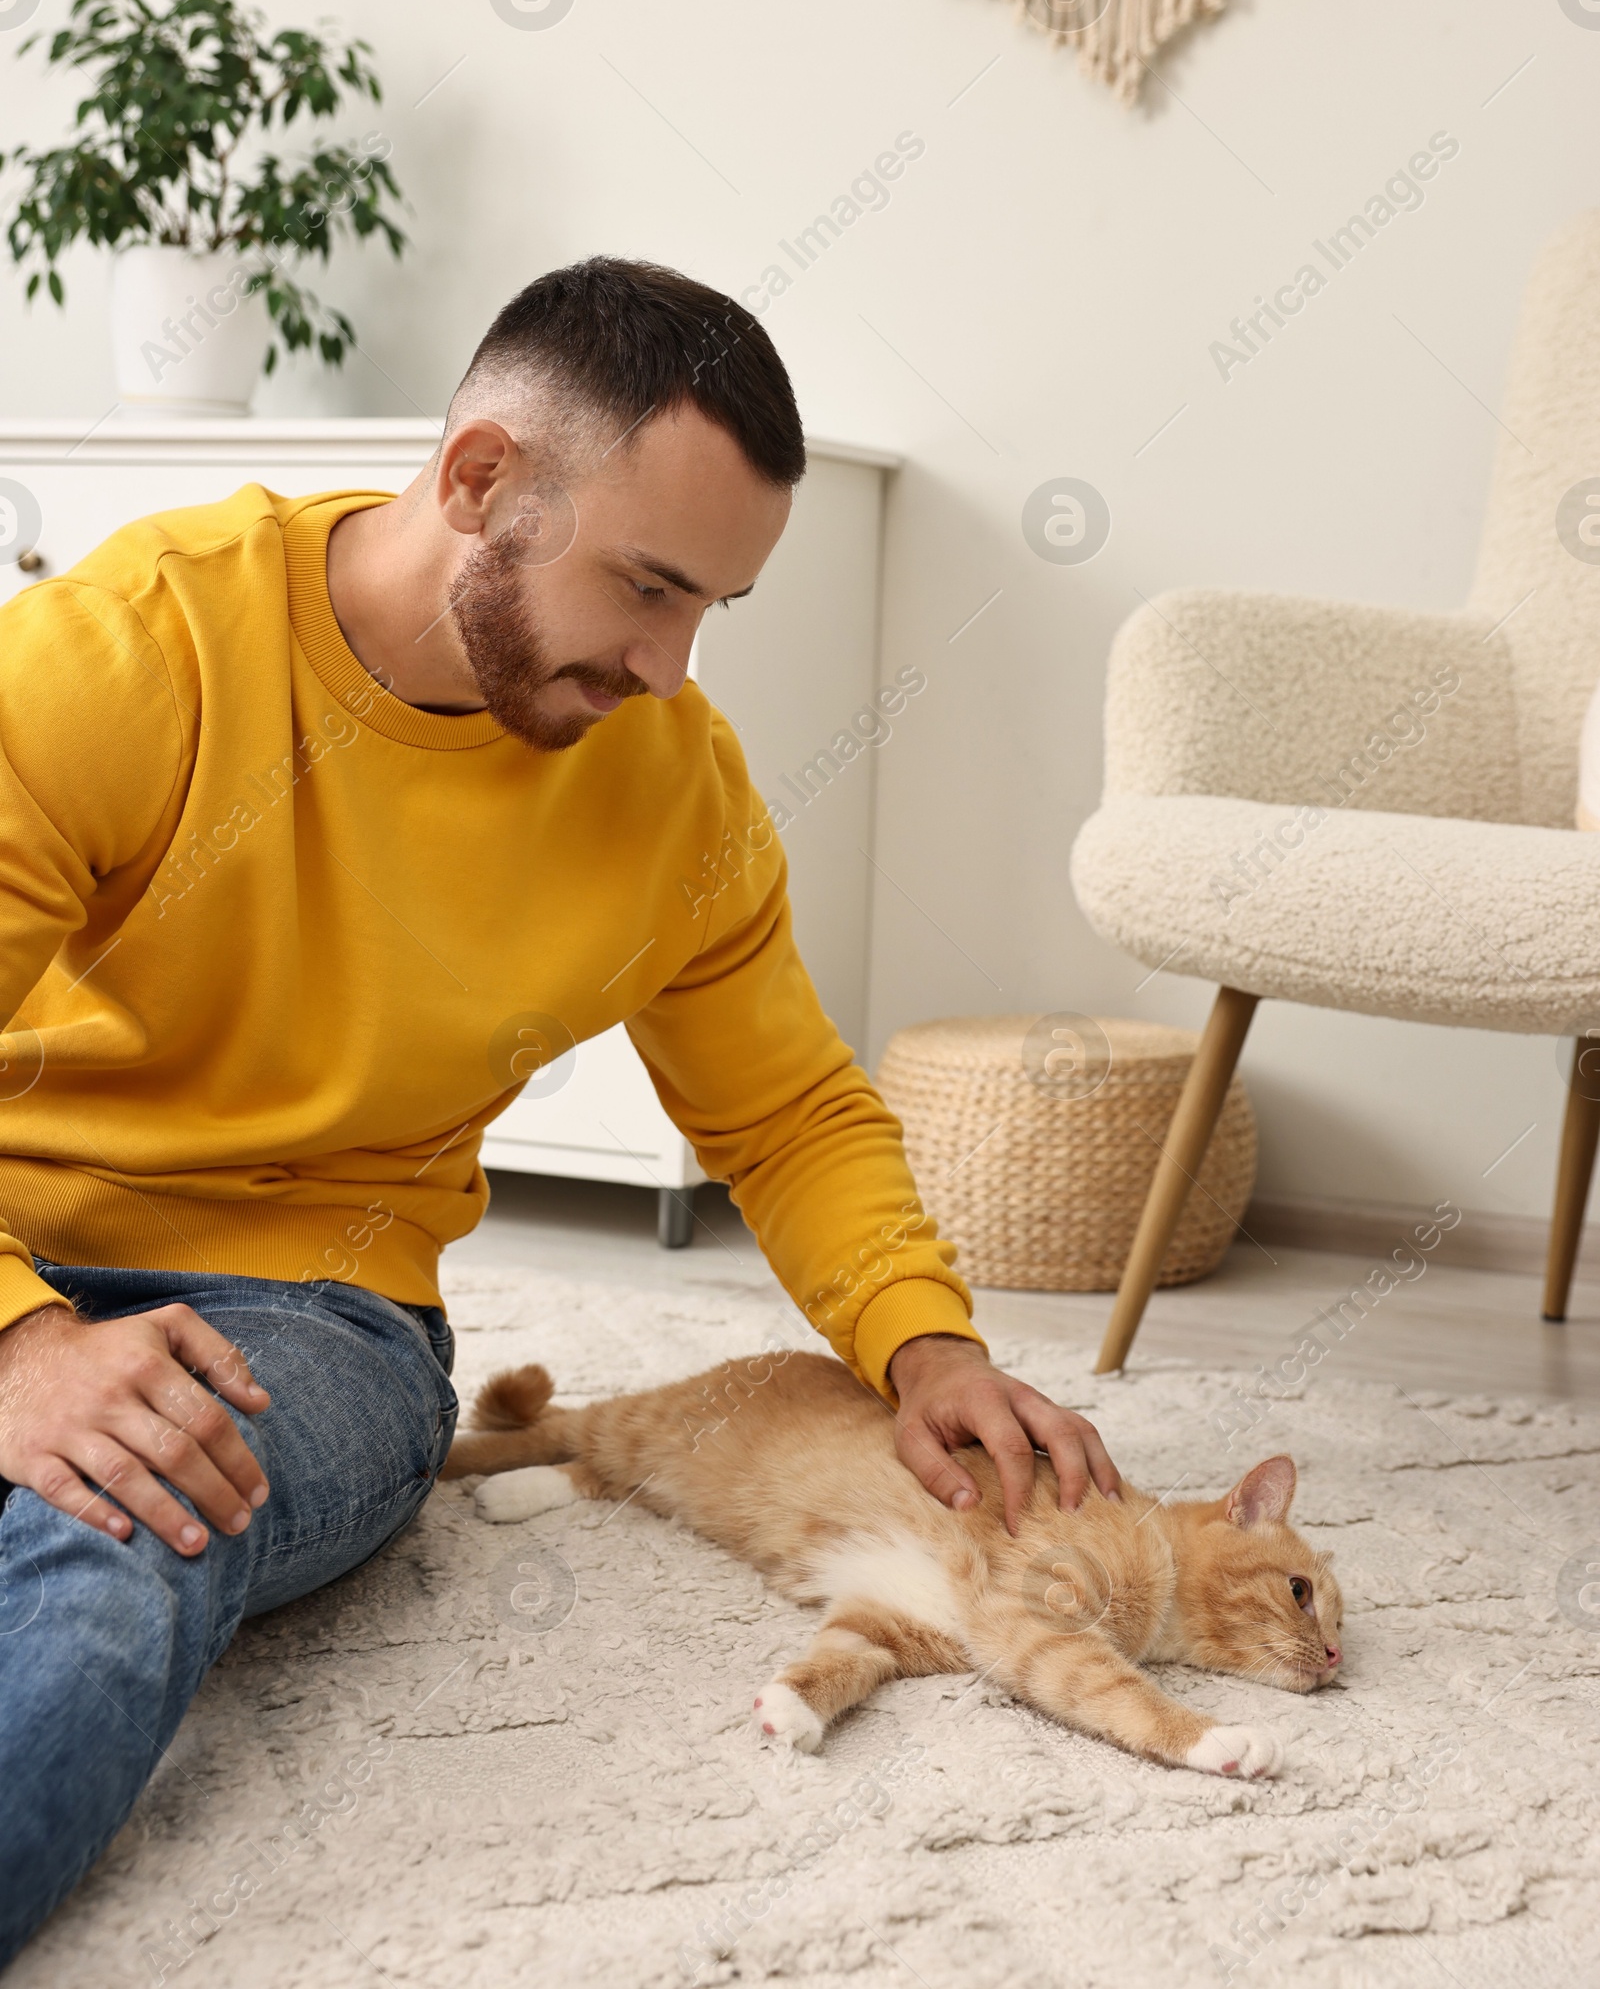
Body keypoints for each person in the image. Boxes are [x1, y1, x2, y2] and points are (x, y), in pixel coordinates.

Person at [0, 257, 1118, 1960]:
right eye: (647, 587)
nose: (668, 667)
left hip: (315, 1305)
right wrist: (19, 1343)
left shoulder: (675, 786)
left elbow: (789, 1114)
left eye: (709, 613)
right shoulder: (135, 649)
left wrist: (928, 1347)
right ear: (478, 481)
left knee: (131, 1512)